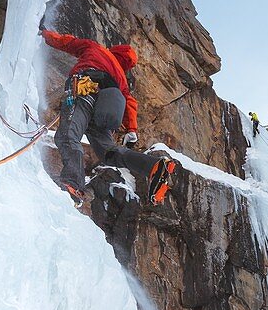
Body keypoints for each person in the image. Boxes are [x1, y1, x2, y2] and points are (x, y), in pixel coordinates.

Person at [42, 29, 177, 206]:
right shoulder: (120, 77)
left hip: (84, 92)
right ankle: (154, 166)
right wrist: (131, 129)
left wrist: (44, 34)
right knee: (109, 153)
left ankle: (73, 184)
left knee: (69, 135)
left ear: (115, 50)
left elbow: (67, 42)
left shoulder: (96, 48)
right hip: (105, 107)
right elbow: (130, 103)